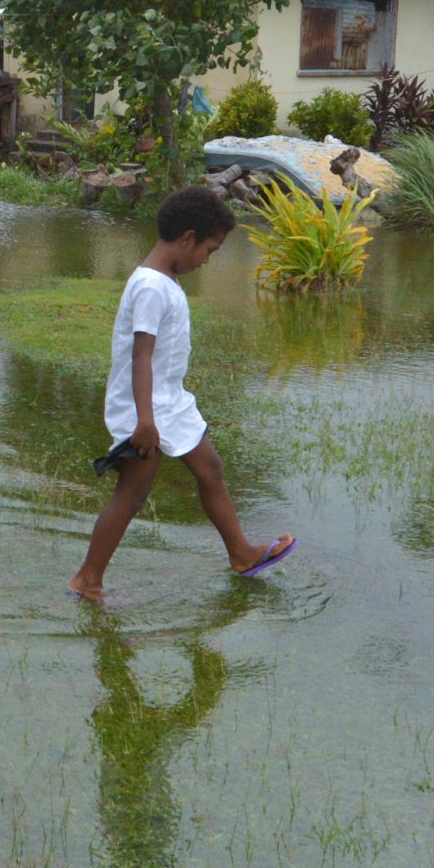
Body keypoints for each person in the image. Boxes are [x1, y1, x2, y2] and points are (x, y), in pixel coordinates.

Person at [70, 184, 295, 600]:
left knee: (211, 468)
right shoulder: (152, 287)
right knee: (131, 495)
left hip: (169, 400)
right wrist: (144, 422)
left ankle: (242, 554)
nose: (207, 261)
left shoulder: (164, 281)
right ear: (187, 238)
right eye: (209, 251)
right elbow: (141, 355)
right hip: (146, 409)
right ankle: (87, 580)